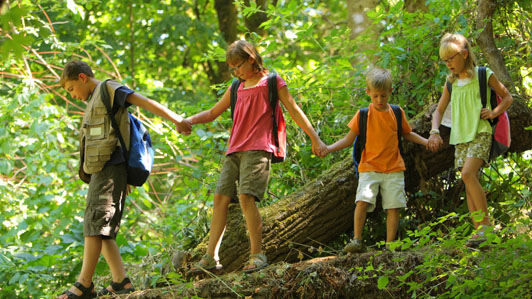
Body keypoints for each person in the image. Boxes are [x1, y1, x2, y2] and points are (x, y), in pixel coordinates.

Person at [187, 40, 327, 273]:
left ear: (251, 59)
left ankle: (257, 255)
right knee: (220, 198)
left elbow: (294, 110)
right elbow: (213, 112)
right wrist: (189, 120)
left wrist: (316, 139)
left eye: (238, 65)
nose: (236, 71)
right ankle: (211, 257)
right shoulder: (236, 87)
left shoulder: (272, 82)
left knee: (245, 197)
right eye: (232, 68)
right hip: (234, 150)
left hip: (259, 147)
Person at [58, 60, 191, 298]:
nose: (72, 95)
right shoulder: (94, 101)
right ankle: (121, 281)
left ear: (81, 78)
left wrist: (176, 119)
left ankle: (84, 285)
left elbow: (143, 101)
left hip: (110, 169)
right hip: (102, 171)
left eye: (70, 89)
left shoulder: (109, 89)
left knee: (96, 224)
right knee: (100, 226)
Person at [320, 67, 428, 253]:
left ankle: (390, 244)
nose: (379, 100)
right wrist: (328, 149)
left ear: (390, 92)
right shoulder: (363, 115)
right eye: (375, 96)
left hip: (394, 168)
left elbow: (407, 133)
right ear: (368, 92)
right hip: (369, 168)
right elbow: (348, 140)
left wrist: (427, 141)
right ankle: (357, 240)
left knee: (393, 206)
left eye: (383, 96)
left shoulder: (396, 112)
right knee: (362, 201)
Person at [427, 33, 512, 246]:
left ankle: (487, 229)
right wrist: (434, 131)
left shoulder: (484, 74)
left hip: (481, 132)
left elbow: (507, 97)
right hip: (460, 137)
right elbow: (438, 111)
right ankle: (479, 233)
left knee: (468, 173)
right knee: (467, 180)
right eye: (445, 60)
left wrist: (493, 113)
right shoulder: (451, 83)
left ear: (464, 54)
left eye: (451, 58)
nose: (448, 64)